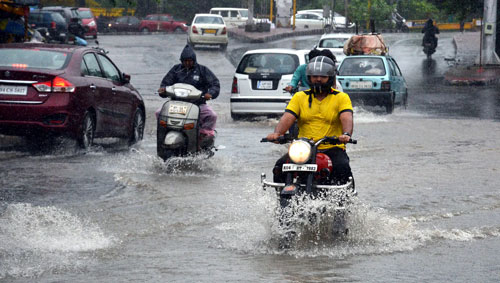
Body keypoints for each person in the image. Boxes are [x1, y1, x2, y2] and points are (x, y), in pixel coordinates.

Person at [267, 55, 354, 185]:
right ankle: (280, 199)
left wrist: (346, 134)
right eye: (314, 76)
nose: (318, 79)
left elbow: (346, 117)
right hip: (304, 149)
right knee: (279, 167)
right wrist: (277, 134)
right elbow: (288, 117)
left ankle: (346, 199)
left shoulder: (341, 97)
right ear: (309, 78)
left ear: (330, 78)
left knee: (342, 167)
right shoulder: (299, 97)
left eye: (323, 77)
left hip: (332, 147)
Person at [158, 44, 220, 143]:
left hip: (197, 104)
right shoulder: (176, 70)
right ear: (181, 61)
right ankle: (163, 134)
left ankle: (205, 134)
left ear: (194, 60)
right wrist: (163, 89)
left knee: (212, 115)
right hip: (176, 104)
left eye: (189, 61)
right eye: (185, 61)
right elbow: (165, 83)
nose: (187, 63)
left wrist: (210, 93)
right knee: (159, 113)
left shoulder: (202, 70)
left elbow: (215, 84)